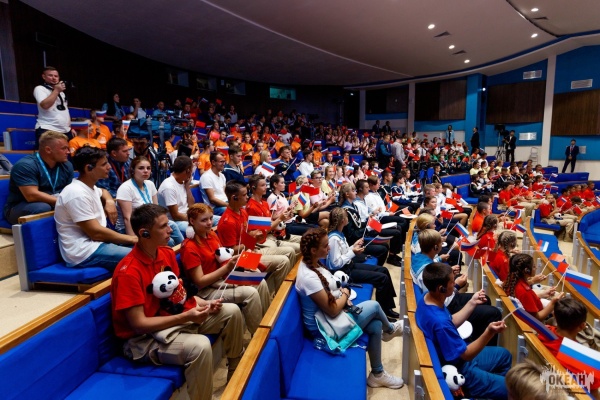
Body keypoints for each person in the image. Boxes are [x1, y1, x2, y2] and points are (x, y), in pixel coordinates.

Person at [110, 204, 244, 400]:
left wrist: (203, 304)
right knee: (200, 346)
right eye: (163, 226)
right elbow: (139, 324)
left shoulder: (166, 253)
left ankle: (236, 373)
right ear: (144, 233)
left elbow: (180, 295)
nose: (170, 229)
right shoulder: (128, 272)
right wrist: (186, 316)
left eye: (168, 224)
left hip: (171, 320)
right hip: (142, 340)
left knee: (231, 312)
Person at [295, 228, 404, 389]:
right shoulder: (308, 277)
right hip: (323, 329)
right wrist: (345, 294)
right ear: (313, 250)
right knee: (374, 306)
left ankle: (377, 374)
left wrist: (343, 299)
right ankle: (390, 330)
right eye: (325, 246)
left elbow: (329, 292)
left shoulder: (314, 263)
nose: (329, 248)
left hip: (330, 318)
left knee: (375, 325)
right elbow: (332, 310)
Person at [416, 262, 512, 399]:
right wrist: (489, 332)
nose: (455, 283)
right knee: (511, 389)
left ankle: (490, 388)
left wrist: (472, 302)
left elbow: (451, 321)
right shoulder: (440, 323)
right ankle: (479, 389)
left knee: (505, 355)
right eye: (452, 281)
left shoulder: (428, 297)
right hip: (461, 368)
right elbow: (466, 355)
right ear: (441, 288)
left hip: (460, 355)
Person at [180, 203, 270, 335]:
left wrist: (251, 246)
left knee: (260, 280)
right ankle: (259, 336)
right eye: (204, 220)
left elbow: (225, 256)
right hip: (206, 290)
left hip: (223, 277)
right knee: (250, 293)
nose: (209, 222)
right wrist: (228, 267)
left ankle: (267, 322)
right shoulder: (189, 247)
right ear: (192, 221)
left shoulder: (212, 234)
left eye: (211, 218)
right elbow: (200, 282)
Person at [412, 229, 502, 342]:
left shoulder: (418, 258)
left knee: (485, 299)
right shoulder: (426, 271)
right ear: (435, 247)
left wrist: (447, 274)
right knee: (494, 313)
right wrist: (457, 286)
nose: (442, 243)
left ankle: (476, 333)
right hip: (448, 305)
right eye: (440, 242)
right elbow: (438, 297)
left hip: (447, 298)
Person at [54, 146, 137, 270]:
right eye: (104, 164)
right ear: (89, 168)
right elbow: (95, 233)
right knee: (143, 256)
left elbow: (103, 191)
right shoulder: (76, 193)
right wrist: (132, 239)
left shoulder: (88, 186)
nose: (109, 167)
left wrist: (109, 201)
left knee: (153, 248)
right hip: (84, 252)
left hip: (98, 244)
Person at [217, 181, 291, 294]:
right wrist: (253, 240)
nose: (247, 197)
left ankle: (275, 294)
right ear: (234, 198)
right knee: (282, 262)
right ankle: (277, 297)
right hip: (240, 258)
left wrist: (255, 235)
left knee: (288, 253)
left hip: (250, 249)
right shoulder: (227, 222)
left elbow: (253, 231)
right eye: (244, 195)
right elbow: (231, 251)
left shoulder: (242, 211)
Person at [327, 208, 398, 320]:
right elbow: (335, 264)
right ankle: (383, 312)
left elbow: (344, 253)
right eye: (346, 217)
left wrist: (354, 246)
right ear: (342, 221)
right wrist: (353, 252)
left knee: (383, 270)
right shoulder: (333, 239)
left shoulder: (339, 234)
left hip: (349, 265)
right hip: (345, 272)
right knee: (382, 278)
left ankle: (388, 307)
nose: (348, 219)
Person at [5, 131, 73, 224]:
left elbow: (70, 190)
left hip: (54, 202)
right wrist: (63, 202)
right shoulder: (26, 165)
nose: (68, 152)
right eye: (64, 148)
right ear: (48, 150)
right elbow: (31, 195)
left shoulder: (67, 165)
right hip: (21, 206)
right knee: (42, 207)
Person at [538, 298, 600, 397]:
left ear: (554, 316)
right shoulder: (585, 362)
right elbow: (594, 394)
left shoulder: (542, 333)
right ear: (582, 326)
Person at [116, 156, 183, 245]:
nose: (145, 171)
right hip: (131, 228)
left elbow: (157, 211)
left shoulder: (150, 184)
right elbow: (127, 218)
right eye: (141, 168)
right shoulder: (125, 188)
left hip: (150, 223)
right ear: (133, 170)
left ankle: (184, 250)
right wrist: (134, 240)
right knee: (169, 241)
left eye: (148, 168)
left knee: (173, 226)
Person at [246, 174, 301, 259]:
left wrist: (286, 215)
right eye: (262, 185)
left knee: (301, 244)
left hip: (274, 234)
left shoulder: (264, 203)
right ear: (254, 188)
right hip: (263, 241)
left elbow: (270, 222)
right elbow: (262, 231)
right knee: (292, 251)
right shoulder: (251, 207)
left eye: (266, 185)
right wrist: (280, 219)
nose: (266, 187)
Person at [503, 253, 563, 321]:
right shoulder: (524, 291)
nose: (536, 268)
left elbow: (526, 300)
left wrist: (542, 294)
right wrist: (553, 303)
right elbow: (536, 318)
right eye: (534, 266)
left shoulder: (511, 280)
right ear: (526, 270)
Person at [33, 66, 71, 149]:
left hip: (65, 130)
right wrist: (56, 90)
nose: (54, 78)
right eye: (50, 75)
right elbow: (45, 105)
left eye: (56, 76)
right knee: (49, 155)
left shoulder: (61, 92)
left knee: (66, 155)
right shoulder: (40, 89)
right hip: (48, 129)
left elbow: (64, 111)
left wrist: (69, 127)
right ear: (44, 77)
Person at [157, 156, 195, 236]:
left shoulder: (183, 182)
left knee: (214, 220)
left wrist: (187, 187)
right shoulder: (169, 187)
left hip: (187, 216)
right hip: (175, 222)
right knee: (200, 227)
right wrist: (195, 219)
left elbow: (192, 205)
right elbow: (175, 216)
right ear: (188, 170)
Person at [199, 152, 228, 216]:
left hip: (225, 203)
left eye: (224, 161)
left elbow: (224, 193)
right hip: (214, 208)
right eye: (221, 162)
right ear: (213, 162)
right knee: (231, 210)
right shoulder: (206, 177)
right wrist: (229, 205)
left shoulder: (222, 175)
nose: (224, 164)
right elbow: (212, 199)